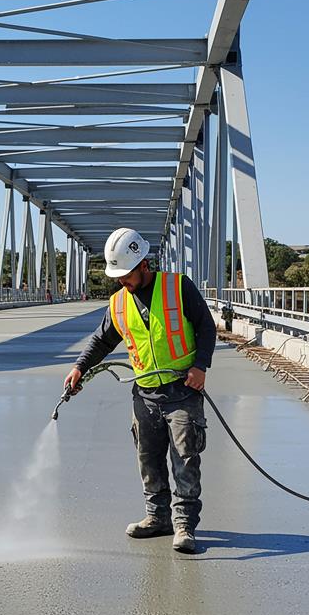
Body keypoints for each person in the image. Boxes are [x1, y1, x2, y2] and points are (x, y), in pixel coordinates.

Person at [64, 228, 216, 554]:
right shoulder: (119, 302)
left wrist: (200, 366)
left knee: (185, 460)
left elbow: (206, 326)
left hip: (182, 391)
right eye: (117, 276)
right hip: (145, 394)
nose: (122, 281)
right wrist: (80, 367)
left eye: (126, 275)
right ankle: (157, 517)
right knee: (148, 460)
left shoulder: (178, 287)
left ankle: (185, 526)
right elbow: (103, 340)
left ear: (144, 264)